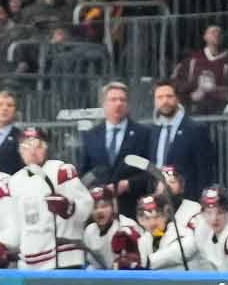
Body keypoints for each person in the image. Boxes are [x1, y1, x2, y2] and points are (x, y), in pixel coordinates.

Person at [0, 126, 92, 269]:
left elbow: (86, 207)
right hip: (29, 263)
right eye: (26, 147)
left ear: (46, 148)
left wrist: (69, 208)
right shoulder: (14, 181)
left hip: (64, 259)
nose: (32, 152)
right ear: (20, 151)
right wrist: (2, 244)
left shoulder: (61, 171)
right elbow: (16, 225)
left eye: (38, 146)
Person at [80, 81, 152, 218]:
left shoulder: (143, 134)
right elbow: (85, 174)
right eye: (113, 100)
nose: (118, 104)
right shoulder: (91, 135)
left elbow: (150, 172)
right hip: (100, 211)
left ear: (128, 105)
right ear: (104, 104)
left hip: (133, 208)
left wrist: (129, 184)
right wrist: (99, 189)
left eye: (122, 100)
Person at [147, 80, 214, 192]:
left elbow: (205, 171)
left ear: (177, 99)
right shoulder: (153, 131)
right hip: (158, 197)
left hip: (187, 197)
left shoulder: (196, 129)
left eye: (169, 96)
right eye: (160, 97)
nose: (165, 101)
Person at [80, 185, 144, 269]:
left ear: (113, 207)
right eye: (95, 207)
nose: (99, 211)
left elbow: (143, 258)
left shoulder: (127, 225)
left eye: (104, 206)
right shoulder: (89, 231)